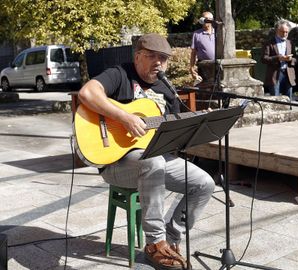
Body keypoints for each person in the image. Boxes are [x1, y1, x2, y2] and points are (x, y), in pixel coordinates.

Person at [78, 33, 215, 270]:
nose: (158, 62)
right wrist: (124, 117)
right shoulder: (120, 74)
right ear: (138, 56)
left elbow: (173, 133)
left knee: (204, 183)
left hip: (158, 157)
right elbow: (87, 93)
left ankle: (170, 241)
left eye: (163, 58)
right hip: (117, 163)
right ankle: (154, 243)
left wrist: (196, 124)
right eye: (152, 56)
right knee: (153, 163)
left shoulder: (166, 88)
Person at [262, 19, 297, 100]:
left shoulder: (290, 43)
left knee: (289, 100)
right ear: (277, 31)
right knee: (276, 101)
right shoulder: (269, 43)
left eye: (287, 32)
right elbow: (264, 59)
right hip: (275, 75)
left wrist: (291, 59)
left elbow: (296, 59)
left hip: (288, 75)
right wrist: (278, 58)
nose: (285, 34)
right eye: (282, 32)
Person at [189, 11, 215, 82]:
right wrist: (192, 68)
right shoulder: (197, 34)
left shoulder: (217, 33)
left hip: (216, 65)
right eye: (203, 18)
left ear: (211, 20)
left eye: (206, 18)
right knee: (205, 88)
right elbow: (193, 53)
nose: (204, 20)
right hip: (203, 66)